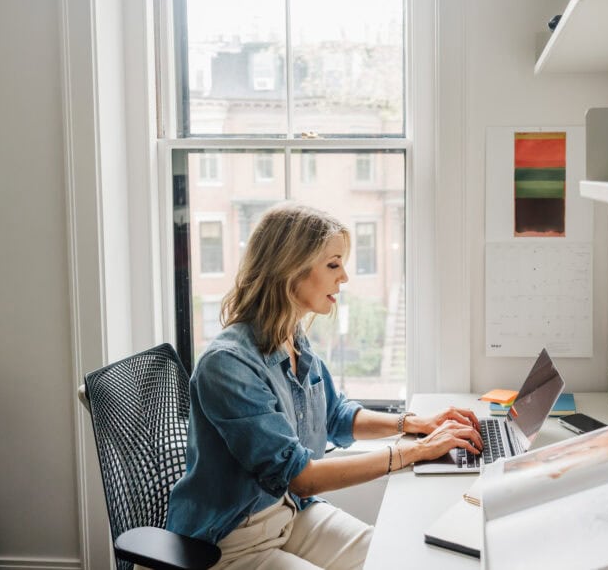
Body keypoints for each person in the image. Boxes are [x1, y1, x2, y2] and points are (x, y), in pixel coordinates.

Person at [165, 202, 482, 569]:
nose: (344, 276)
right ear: (290, 270)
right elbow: (301, 478)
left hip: (289, 513)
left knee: (393, 559)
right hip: (231, 539)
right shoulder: (227, 365)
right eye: (333, 264)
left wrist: (413, 424)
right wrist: (416, 452)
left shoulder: (293, 337)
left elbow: (336, 415)